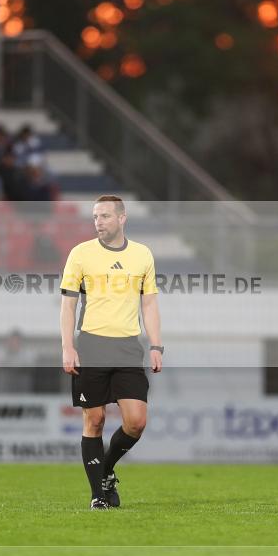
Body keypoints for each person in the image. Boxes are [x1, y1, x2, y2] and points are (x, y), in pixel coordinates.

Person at [60, 195, 162, 510]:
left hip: (129, 346)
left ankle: (105, 470)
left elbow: (149, 303)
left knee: (136, 422)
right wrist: (67, 346)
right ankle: (97, 495)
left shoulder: (142, 255)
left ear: (122, 218)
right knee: (95, 419)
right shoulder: (80, 254)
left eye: (104, 216)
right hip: (91, 344)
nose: (98, 222)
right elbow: (68, 303)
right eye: (95, 217)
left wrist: (156, 344)